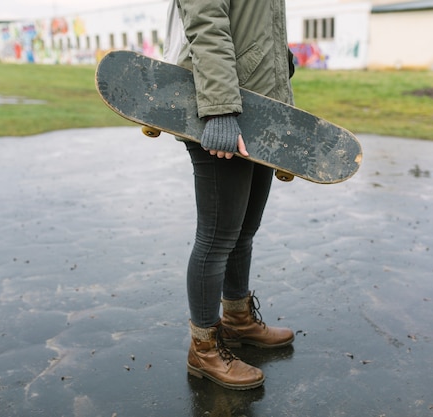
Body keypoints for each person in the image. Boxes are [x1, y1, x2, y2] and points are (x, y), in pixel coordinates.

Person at [166, 0, 296, 390]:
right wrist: (220, 109)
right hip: (221, 109)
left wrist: (278, 61)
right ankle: (203, 349)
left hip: (259, 104)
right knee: (218, 234)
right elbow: (206, 24)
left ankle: (238, 319)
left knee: (244, 229)